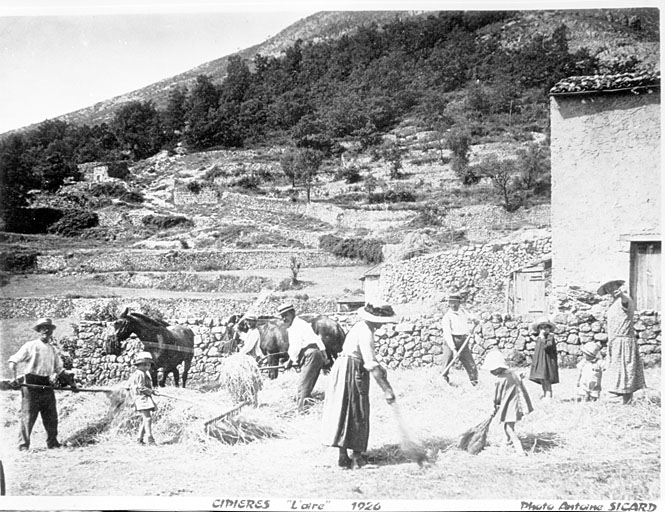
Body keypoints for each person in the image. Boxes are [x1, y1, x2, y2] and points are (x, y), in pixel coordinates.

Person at [321, 302, 397, 469]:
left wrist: (379, 365)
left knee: (343, 409)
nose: (383, 324)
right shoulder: (366, 332)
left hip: (343, 368)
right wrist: (387, 390)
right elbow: (370, 363)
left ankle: (342, 457)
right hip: (352, 371)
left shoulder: (359, 327)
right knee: (357, 412)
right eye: (382, 321)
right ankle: (357, 458)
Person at [8, 318, 78, 451]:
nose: (46, 330)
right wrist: (15, 378)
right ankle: (23, 445)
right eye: (43, 328)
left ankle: (53, 443)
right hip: (31, 384)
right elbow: (13, 361)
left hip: (46, 383)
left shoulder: (52, 350)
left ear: (52, 331)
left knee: (51, 416)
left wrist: (72, 384)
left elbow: (60, 370)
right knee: (28, 415)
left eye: (49, 328)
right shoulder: (30, 345)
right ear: (39, 330)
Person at [598, 279, 646, 404]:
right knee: (616, 370)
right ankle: (621, 399)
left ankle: (626, 399)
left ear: (618, 286)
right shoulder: (613, 303)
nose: (611, 289)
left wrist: (622, 294)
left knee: (625, 370)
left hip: (623, 342)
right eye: (608, 288)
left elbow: (625, 302)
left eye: (612, 286)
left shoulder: (625, 300)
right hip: (615, 342)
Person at [278, 303, 328, 412]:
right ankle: (303, 407)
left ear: (292, 313)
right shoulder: (302, 323)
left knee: (303, 386)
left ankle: (301, 412)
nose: (284, 319)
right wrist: (324, 355)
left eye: (286, 315)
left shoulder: (296, 326)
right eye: (282, 316)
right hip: (315, 354)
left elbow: (295, 347)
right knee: (306, 384)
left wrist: (289, 362)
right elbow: (318, 340)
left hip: (311, 355)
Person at [483, 349, 533, 456]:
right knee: (508, 427)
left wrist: (495, 405)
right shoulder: (512, 374)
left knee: (509, 429)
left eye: (492, 370)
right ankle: (504, 447)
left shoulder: (500, 380)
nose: (491, 372)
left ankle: (519, 450)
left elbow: (497, 397)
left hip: (511, 408)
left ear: (497, 368)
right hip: (517, 406)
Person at [439, 293, 478, 386]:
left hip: (463, 341)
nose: (453, 305)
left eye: (455, 302)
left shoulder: (463, 312)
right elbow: (447, 334)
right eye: (451, 303)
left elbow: (471, 317)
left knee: (470, 363)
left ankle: (474, 382)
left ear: (459, 303)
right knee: (447, 361)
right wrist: (453, 349)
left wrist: (474, 320)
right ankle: (444, 381)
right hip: (451, 341)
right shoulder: (447, 317)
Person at [128, 351, 157, 445]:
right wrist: (151, 391)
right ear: (139, 365)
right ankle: (150, 438)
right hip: (141, 397)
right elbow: (141, 388)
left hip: (144, 397)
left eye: (148, 365)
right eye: (145, 365)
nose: (147, 367)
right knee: (148, 418)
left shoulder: (141, 373)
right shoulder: (140, 373)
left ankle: (139, 439)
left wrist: (152, 391)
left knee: (146, 418)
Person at [528, 316, 559, 399]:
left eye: (545, 327)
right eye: (541, 328)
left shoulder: (550, 337)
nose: (543, 330)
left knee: (547, 377)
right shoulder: (539, 338)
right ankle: (544, 393)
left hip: (547, 360)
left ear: (549, 328)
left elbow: (548, 347)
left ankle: (549, 394)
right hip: (540, 360)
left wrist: (542, 339)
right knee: (542, 378)